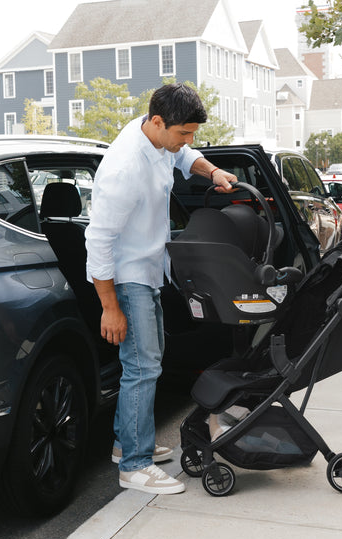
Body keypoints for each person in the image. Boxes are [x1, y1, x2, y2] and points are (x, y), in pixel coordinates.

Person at [85, 82, 237, 495]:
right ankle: (134, 466)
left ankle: (125, 445)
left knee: (145, 362)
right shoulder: (124, 168)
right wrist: (109, 307)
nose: (188, 141)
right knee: (143, 366)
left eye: (191, 133)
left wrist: (213, 170)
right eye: (183, 133)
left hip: (151, 269)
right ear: (156, 121)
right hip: (128, 275)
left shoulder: (160, 140)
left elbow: (186, 155)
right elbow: (97, 242)